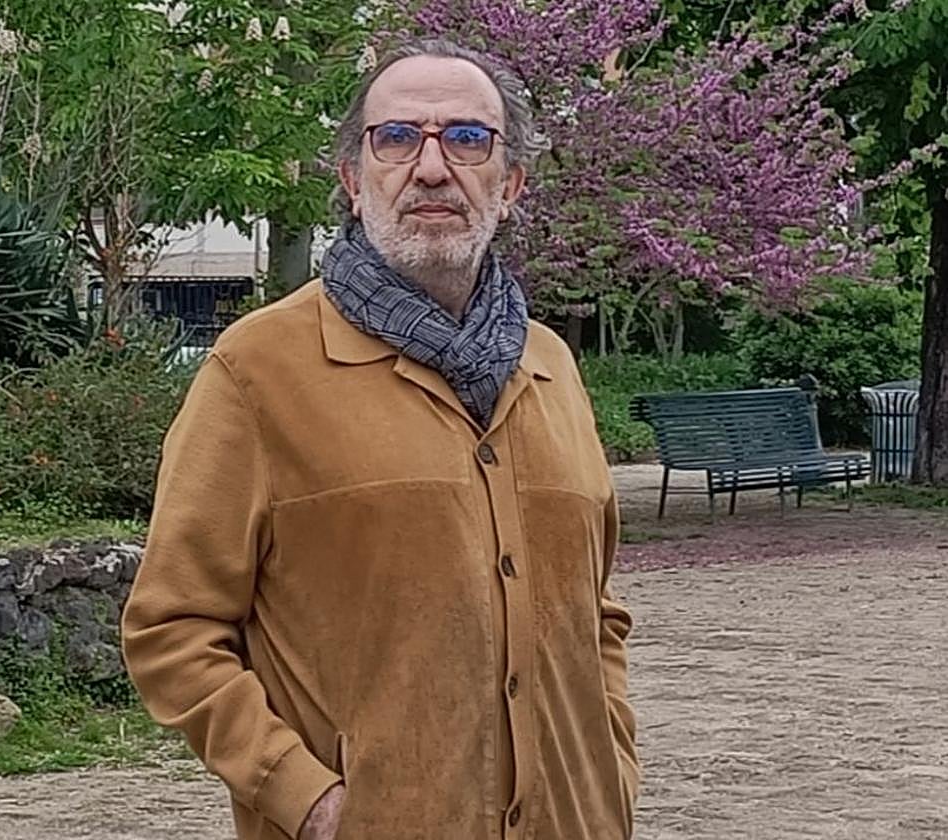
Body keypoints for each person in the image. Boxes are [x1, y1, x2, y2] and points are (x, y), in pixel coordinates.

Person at [121, 38, 638, 840]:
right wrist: (308, 801)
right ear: (354, 182)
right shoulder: (257, 372)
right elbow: (171, 628)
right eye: (396, 138)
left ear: (510, 185)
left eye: (468, 138)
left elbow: (593, 613)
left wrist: (613, 773)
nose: (431, 168)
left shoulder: (552, 370)